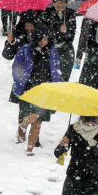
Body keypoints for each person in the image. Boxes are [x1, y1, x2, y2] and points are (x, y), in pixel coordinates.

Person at [11, 24, 61, 155]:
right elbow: (16, 67)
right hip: (27, 89)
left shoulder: (52, 51)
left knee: (38, 121)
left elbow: (56, 70)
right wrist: (19, 81)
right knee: (29, 116)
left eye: (47, 39)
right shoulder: (25, 49)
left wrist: (56, 86)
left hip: (45, 90)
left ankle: (29, 149)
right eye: (42, 39)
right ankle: (22, 126)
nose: (44, 42)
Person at [40, 0, 76, 82]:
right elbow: (44, 29)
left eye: (63, 7)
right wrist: (56, 33)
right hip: (49, 47)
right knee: (47, 76)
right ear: (54, 4)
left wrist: (65, 33)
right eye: (58, 7)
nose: (60, 9)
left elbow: (72, 34)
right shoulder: (47, 13)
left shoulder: (70, 14)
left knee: (63, 77)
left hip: (65, 49)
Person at [74, 0, 98, 88]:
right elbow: (83, 37)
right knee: (86, 81)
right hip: (91, 52)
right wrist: (78, 56)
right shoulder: (88, 17)